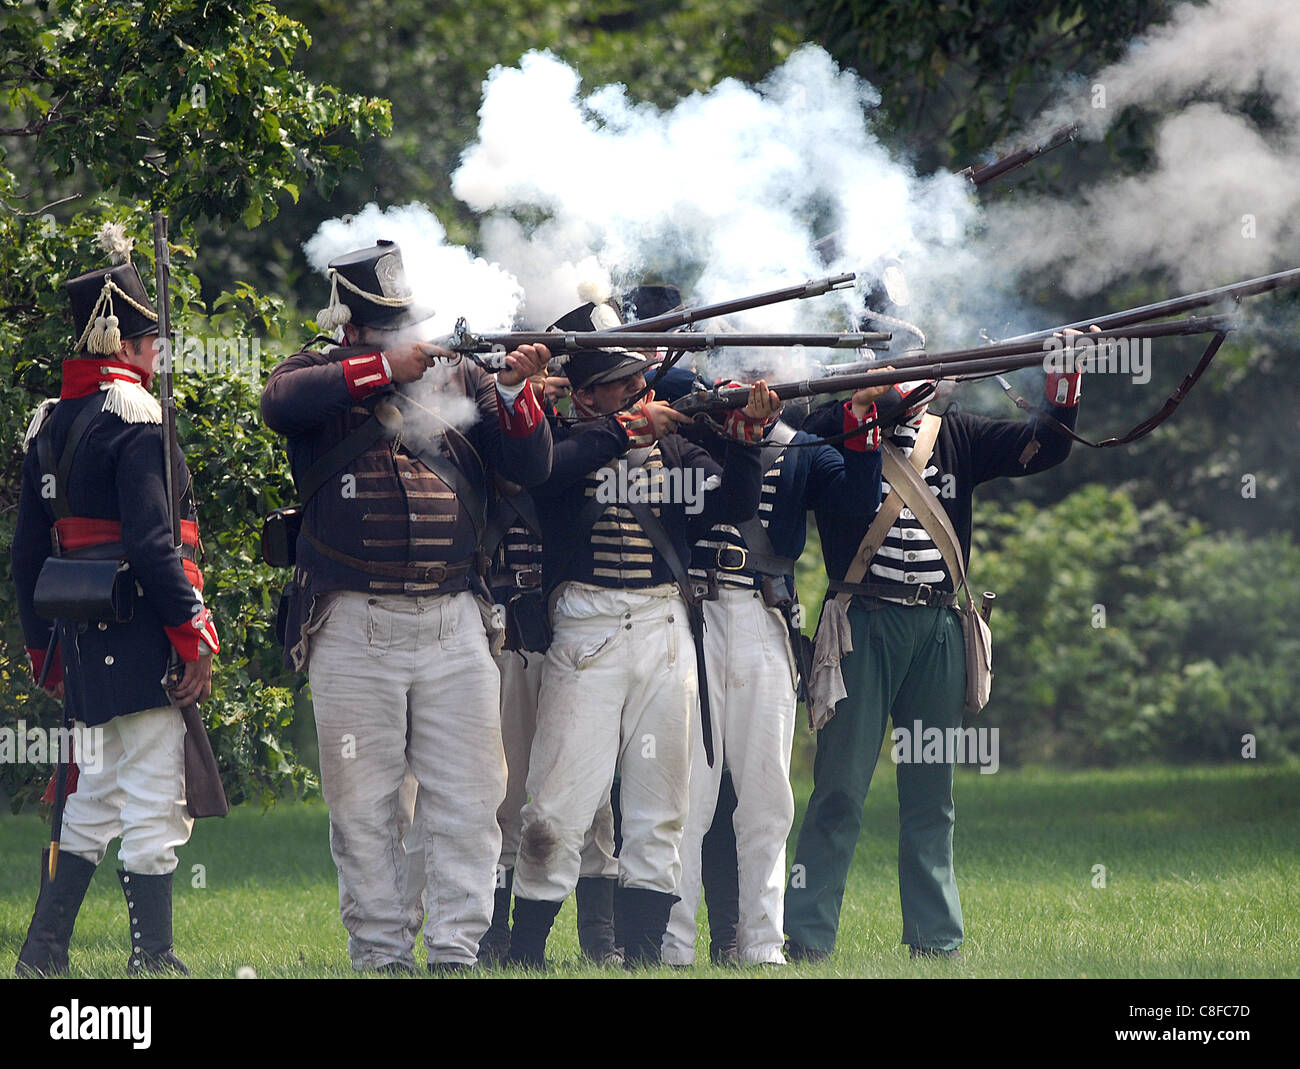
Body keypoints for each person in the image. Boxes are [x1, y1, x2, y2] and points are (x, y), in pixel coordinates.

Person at [260, 239, 553, 971]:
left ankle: (456, 951)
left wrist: (517, 394)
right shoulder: (317, 373)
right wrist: (389, 368)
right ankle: (382, 955)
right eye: (387, 326)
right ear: (351, 326)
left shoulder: (463, 375)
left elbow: (529, 468)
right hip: (352, 621)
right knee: (364, 811)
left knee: (468, 800)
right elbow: (280, 403)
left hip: (456, 616)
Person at [783, 358, 1084, 962]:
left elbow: (1045, 447)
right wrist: (861, 414)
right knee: (839, 789)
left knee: (932, 793)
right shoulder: (827, 430)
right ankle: (809, 940)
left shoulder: (957, 434)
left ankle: (936, 939)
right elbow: (826, 493)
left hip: (940, 626)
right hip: (861, 626)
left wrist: (1065, 381)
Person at [505, 290, 769, 968]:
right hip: (586, 627)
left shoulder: (675, 446)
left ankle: (645, 953)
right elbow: (545, 475)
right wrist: (625, 430)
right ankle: (526, 948)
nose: (638, 386)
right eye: (620, 382)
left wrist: (747, 441)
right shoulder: (559, 442)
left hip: (663, 625)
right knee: (558, 804)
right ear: (587, 396)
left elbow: (733, 502)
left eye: (635, 378)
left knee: (661, 803)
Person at [13, 231, 219, 976]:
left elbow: (26, 561)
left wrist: (46, 653)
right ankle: (153, 957)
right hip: (140, 635)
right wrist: (193, 637)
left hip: (79, 641)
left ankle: (42, 953)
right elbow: (157, 546)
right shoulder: (137, 417)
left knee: (95, 797)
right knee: (157, 802)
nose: (156, 350)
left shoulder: (49, 423)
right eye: (149, 338)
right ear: (123, 339)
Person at [662, 378, 891, 967]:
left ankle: (762, 942)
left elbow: (858, 503)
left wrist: (861, 415)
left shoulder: (800, 444)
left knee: (767, 794)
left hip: (765, 616)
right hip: (691, 615)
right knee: (688, 793)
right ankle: (672, 942)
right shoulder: (687, 438)